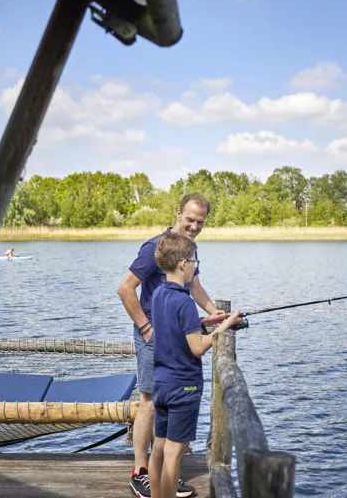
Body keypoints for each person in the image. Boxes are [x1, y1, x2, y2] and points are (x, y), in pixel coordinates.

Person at [117, 193, 225, 498]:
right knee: (150, 403)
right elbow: (125, 288)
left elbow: (194, 287)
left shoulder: (189, 250)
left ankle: (165, 472)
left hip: (174, 336)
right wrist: (146, 326)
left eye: (200, 222)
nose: (193, 226)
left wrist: (213, 311)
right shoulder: (154, 247)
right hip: (153, 335)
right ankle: (141, 472)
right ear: (178, 214)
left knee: (167, 404)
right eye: (189, 219)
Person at [148, 232, 242, 498]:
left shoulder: (157, 295)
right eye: (194, 260)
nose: (195, 265)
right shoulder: (185, 302)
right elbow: (197, 347)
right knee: (174, 456)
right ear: (182, 264)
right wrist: (225, 326)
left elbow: (175, 329)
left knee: (158, 449)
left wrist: (206, 322)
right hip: (184, 388)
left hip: (162, 383)